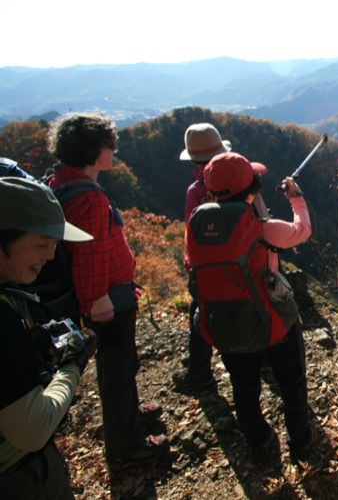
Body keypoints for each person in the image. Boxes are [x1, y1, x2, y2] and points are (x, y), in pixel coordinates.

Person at [45, 112, 168, 472]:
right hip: (108, 301)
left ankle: (130, 415)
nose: (113, 148)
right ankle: (126, 446)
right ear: (94, 150)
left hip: (104, 299)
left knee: (122, 365)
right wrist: (99, 306)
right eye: (107, 143)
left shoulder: (63, 183)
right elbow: (90, 259)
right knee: (117, 370)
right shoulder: (91, 200)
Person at [185, 151, 317, 464]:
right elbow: (302, 230)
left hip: (224, 326)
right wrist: (296, 197)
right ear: (253, 187)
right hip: (272, 324)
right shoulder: (262, 228)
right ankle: (300, 441)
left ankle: (261, 442)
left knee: (244, 389)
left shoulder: (195, 227)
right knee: (292, 383)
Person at [0, 176, 97, 498]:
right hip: (18, 476)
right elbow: (30, 430)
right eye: (42, 244)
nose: (51, 256)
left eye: (55, 245)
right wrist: (72, 364)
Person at [171, 123, 230, 390]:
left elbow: (191, 234)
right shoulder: (240, 180)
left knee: (199, 312)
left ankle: (199, 371)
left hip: (206, 267)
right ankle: (259, 357)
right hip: (240, 260)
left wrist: (190, 266)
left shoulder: (195, 192)